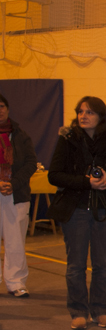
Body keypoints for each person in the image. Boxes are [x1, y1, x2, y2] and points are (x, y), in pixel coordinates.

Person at [48, 97, 106, 330]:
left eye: (90, 112)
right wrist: (86, 182)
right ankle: (78, 311)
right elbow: (54, 175)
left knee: (103, 264)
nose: (83, 116)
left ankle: (100, 309)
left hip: (105, 210)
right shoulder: (68, 139)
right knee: (76, 265)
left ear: (101, 117)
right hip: (76, 210)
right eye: (80, 111)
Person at [0, 93, 39, 298]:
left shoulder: (21, 135)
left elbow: (31, 163)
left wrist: (13, 184)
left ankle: (16, 282)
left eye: (1, 106)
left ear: (7, 109)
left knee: (15, 241)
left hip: (17, 194)